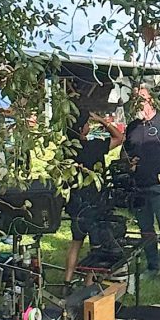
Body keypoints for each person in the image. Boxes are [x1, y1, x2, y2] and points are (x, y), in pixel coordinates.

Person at [124, 86, 160, 287]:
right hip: (138, 186)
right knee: (146, 229)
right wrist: (129, 164)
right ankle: (152, 266)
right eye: (135, 100)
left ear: (151, 101)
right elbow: (125, 153)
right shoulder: (132, 127)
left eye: (142, 99)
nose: (138, 103)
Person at [64, 109, 125, 284]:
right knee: (95, 248)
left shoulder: (67, 150)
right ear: (83, 129)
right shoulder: (94, 146)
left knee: (75, 242)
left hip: (75, 202)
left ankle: (67, 281)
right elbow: (119, 138)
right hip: (94, 203)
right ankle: (88, 284)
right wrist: (102, 121)